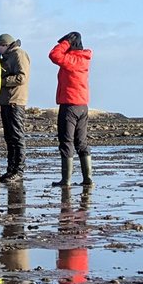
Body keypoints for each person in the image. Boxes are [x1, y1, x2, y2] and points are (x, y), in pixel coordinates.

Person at [48, 30, 93, 187]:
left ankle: (66, 180)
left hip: (69, 105)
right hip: (82, 105)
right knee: (81, 141)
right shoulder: (84, 59)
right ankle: (88, 178)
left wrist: (65, 42)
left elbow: (54, 55)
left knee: (66, 141)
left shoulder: (71, 60)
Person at [0, 34, 30, 184]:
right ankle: (11, 170)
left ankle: (18, 170)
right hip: (6, 101)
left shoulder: (19, 55)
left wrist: (1, 81)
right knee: (9, 137)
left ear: (6, 44)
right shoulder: (8, 56)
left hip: (15, 101)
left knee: (17, 137)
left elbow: (22, 77)